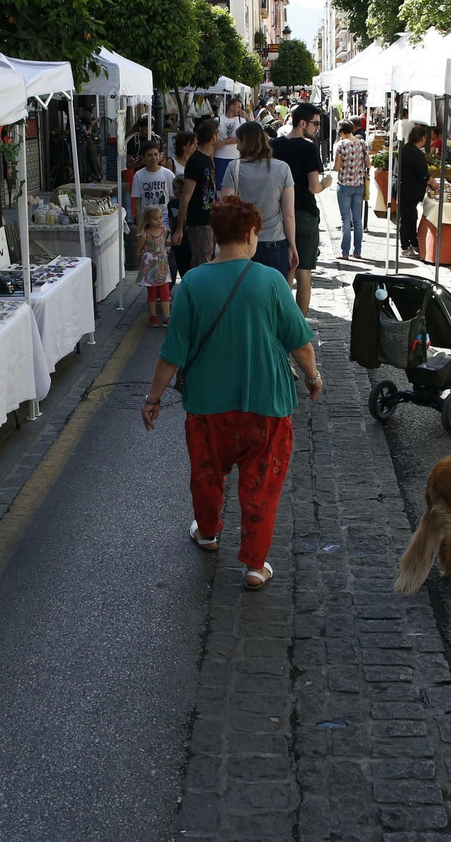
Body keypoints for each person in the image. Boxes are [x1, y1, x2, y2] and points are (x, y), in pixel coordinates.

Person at [141, 197, 323, 590]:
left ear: (218, 236)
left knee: (207, 474)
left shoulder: (191, 282)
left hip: (208, 406)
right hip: (266, 405)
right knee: (261, 485)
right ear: (251, 233)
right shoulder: (271, 280)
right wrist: (312, 378)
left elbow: (172, 354)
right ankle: (256, 565)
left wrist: (152, 400)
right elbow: (300, 344)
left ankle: (207, 534)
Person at [272, 103, 331, 316]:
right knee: (304, 272)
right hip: (304, 213)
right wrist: (327, 182)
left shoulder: (275, 145)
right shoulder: (309, 148)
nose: (318, 128)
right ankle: (299, 328)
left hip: (278, 214)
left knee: (287, 271)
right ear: (303, 123)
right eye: (316, 123)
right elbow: (313, 187)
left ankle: (284, 322)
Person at [220, 121, 297, 278]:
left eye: (238, 141)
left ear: (246, 142)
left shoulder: (234, 168)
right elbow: (288, 213)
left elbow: (225, 206)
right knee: (273, 296)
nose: (236, 147)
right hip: (275, 241)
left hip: (242, 243)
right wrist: (292, 245)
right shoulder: (283, 168)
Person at [175, 120, 221, 269]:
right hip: (199, 221)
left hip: (210, 220)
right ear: (213, 137)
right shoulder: (196, 161)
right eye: (218, 133)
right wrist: (179, 227)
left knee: (208, 259)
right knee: (202, 262)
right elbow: (186, 196)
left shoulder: (208, 159)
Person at [396, 124, 436, 258]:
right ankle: (406, 247)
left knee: (410, 217)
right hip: (410, 190)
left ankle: (412, 243)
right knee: (408, 219)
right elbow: (423, 174)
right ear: (423, 138)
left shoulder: (404, 149)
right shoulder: (416, 153)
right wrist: (433, 183)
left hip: (403, 188)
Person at [332, 119, 370, 260]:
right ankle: (358, 251)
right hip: (359, 184)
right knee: (358, 220)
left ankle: (345, 252)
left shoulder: (341, 145)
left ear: (341, 132)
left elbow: (336, 167)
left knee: (345, 220)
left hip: (344, 185)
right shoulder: (362, 144)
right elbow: (368, 163)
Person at [170, 130, 201, 275]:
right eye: (192, 143)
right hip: (177, 207)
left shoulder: (196, 161)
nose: (196, 145)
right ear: (184, 145)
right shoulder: (172, 162)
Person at [137, 205, 173, 328]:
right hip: (150, 267)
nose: (159, 221)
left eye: (160, 218)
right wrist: (139, 265)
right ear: (148, 220)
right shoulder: (144, 234)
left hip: (162, 266)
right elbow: (138, 250)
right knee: (152, 294)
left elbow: (163, 243)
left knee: (165, 293)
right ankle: (153, 316)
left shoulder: (163, 231)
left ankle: (166, 317)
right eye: (155, 219)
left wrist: (172, 242)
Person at [215, 97, 245, 189]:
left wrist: (223, 142)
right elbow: (214, 141)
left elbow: (241, 138)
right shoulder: (218, 121)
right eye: (238, 107)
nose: (240, 110)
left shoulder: (241, 121)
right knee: (220, 183)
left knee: (235, 183)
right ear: (231, 107)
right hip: (220, 156)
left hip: (235, 156)